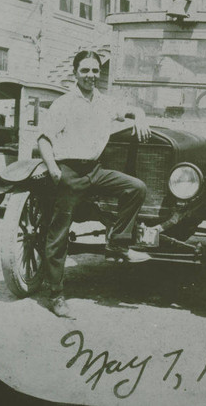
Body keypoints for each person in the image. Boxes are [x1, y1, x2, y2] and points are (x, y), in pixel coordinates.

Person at [38, 50, 151, 317]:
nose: (91, 75)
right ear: (75, 73)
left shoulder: (104, 102)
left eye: (95, 71)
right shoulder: (63, 104)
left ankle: (118, 243)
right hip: (69, 172)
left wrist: (141, 116)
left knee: (136, 188)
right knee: (59, 235)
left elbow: (133, 109)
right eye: (85, 70)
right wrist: (54, 169)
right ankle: (56, 296)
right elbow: (44, 139)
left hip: (95, 170)